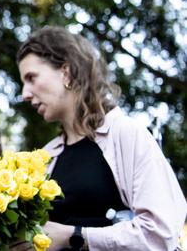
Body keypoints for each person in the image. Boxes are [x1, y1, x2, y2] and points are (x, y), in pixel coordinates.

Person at [16, 26, 186, 251]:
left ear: (65, 72)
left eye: (31, 78)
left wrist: (74, 235)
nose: (25, 93)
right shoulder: (46, 157)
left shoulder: (127, 134)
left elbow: (159, 233)